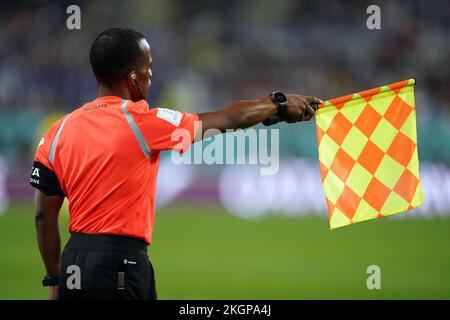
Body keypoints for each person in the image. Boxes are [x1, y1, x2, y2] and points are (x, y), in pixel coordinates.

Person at [29, 27, 322, 300]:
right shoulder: (142, 121)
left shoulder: (58, 131)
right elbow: (226, 119)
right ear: (133, 78)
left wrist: (55, 278)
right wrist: (278, 104)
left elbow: (44, 215)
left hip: (73, 262)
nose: (151, 75)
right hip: (121, 263)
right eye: (148, 66)